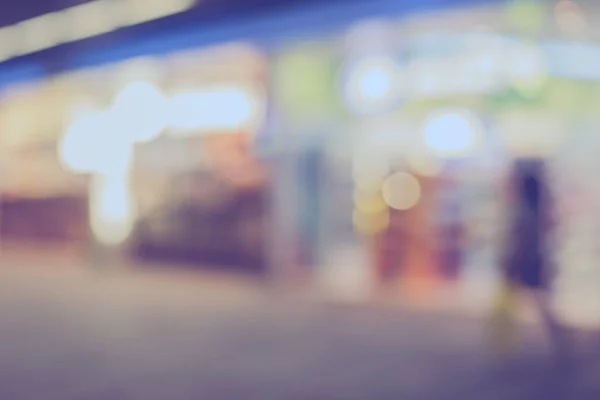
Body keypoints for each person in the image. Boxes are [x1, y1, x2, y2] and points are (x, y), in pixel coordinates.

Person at [492, 158, 570, 360]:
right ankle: (559, 342)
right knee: (539, 305)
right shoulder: (537, 207)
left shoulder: (524, 209)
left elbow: (520, 239)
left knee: (525, 304)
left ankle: (505, 342)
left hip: (525, 262)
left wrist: (510, 260)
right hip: (533, 260)